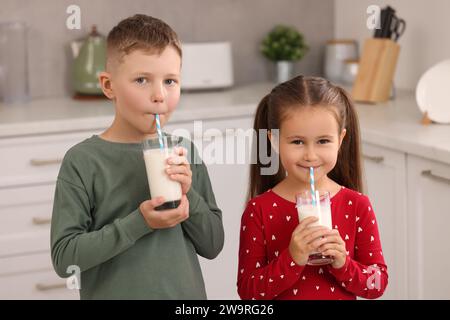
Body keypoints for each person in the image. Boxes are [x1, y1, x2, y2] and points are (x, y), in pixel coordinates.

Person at [51, 14, 224, 299]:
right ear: (108, 86)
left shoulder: (184, 152)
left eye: (170, 81)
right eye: (142, 80)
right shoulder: (82, 162)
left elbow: (213, 244)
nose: (159, 95)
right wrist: (140, 223)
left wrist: (189, 194)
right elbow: (65, 259)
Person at [237, 76, 388, 300]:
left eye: (323, 141)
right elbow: (248, 291)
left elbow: (378, 283)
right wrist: (292, 259)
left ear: (341, 139)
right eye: (297, 142)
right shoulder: (259, 210)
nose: (310, 155)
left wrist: (343, 264)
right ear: (274, 141)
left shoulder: (356, 205)